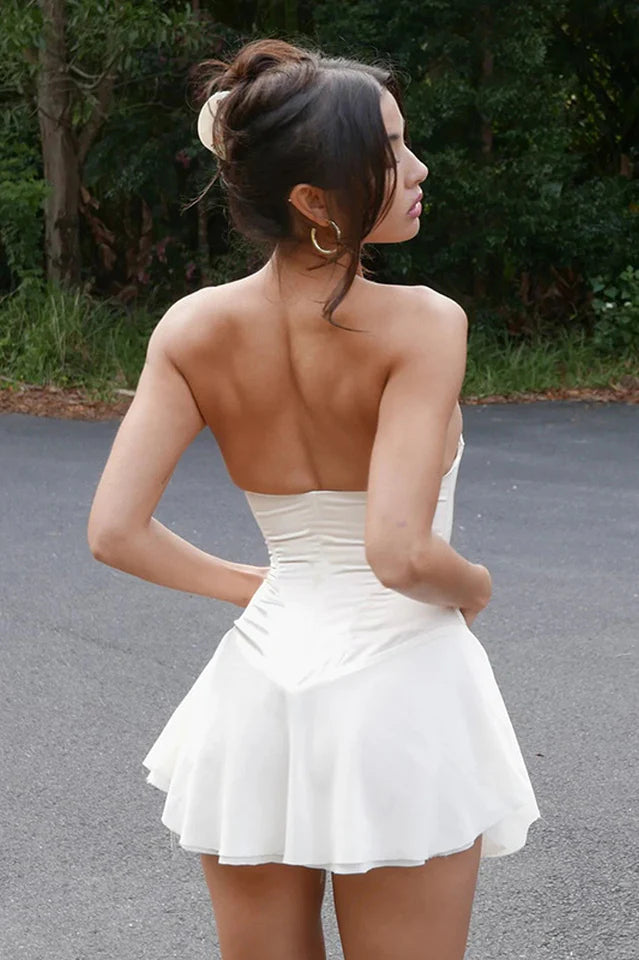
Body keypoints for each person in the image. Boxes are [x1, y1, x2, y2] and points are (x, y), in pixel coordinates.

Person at [87, 37, 540, 960]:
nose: (419, 168)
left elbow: (115, 532)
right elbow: (399, 553)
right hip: (396, 688)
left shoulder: (191, 327)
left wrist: (262, 587)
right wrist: (475, 585)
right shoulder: (422, 323)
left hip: (257, 690)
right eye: (393, 150)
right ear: (314, 200)